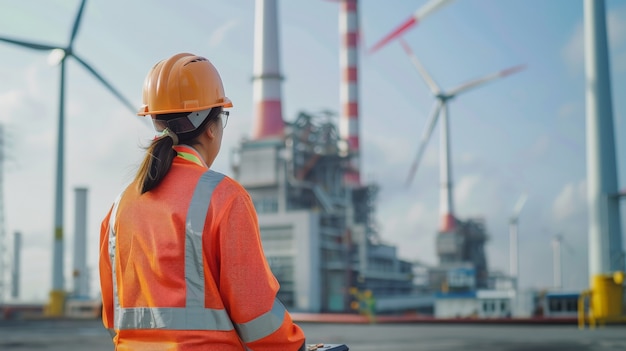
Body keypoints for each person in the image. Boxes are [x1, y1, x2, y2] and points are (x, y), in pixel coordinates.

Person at [99, 52, 306, 351]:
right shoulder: (224, 197)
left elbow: (112, 314)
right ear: (211, 127)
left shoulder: (120, 207)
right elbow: (257, 315)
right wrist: (294, 346)